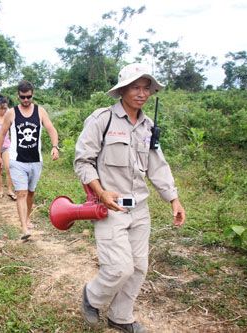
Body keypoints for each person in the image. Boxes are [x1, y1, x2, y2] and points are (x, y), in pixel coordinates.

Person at [73, 63, 186, 332]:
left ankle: (121, 317)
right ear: (122, 89)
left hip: (140, 208)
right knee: (119, 267)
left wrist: (174, 199)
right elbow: (83, 162)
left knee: (138, 268)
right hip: (110, 207)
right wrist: (101, 192)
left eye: (147, 88)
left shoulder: (148, 126)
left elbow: (157, 166)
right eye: (136, 87)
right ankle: (92, 296)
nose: (142, 93)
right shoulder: (103, 120)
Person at [0, 80, 59, 240]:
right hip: (17, 160)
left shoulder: (40, 111)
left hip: (36, 160)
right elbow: (2, 134)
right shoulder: (12, 113)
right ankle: (24, 228)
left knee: (31, 192)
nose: (25, 100)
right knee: (21, 193)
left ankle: (27, 218)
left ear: (32, 94)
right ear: (18, 95)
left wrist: (55, 146)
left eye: (28, 97)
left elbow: (51, 128)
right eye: (22, 97)